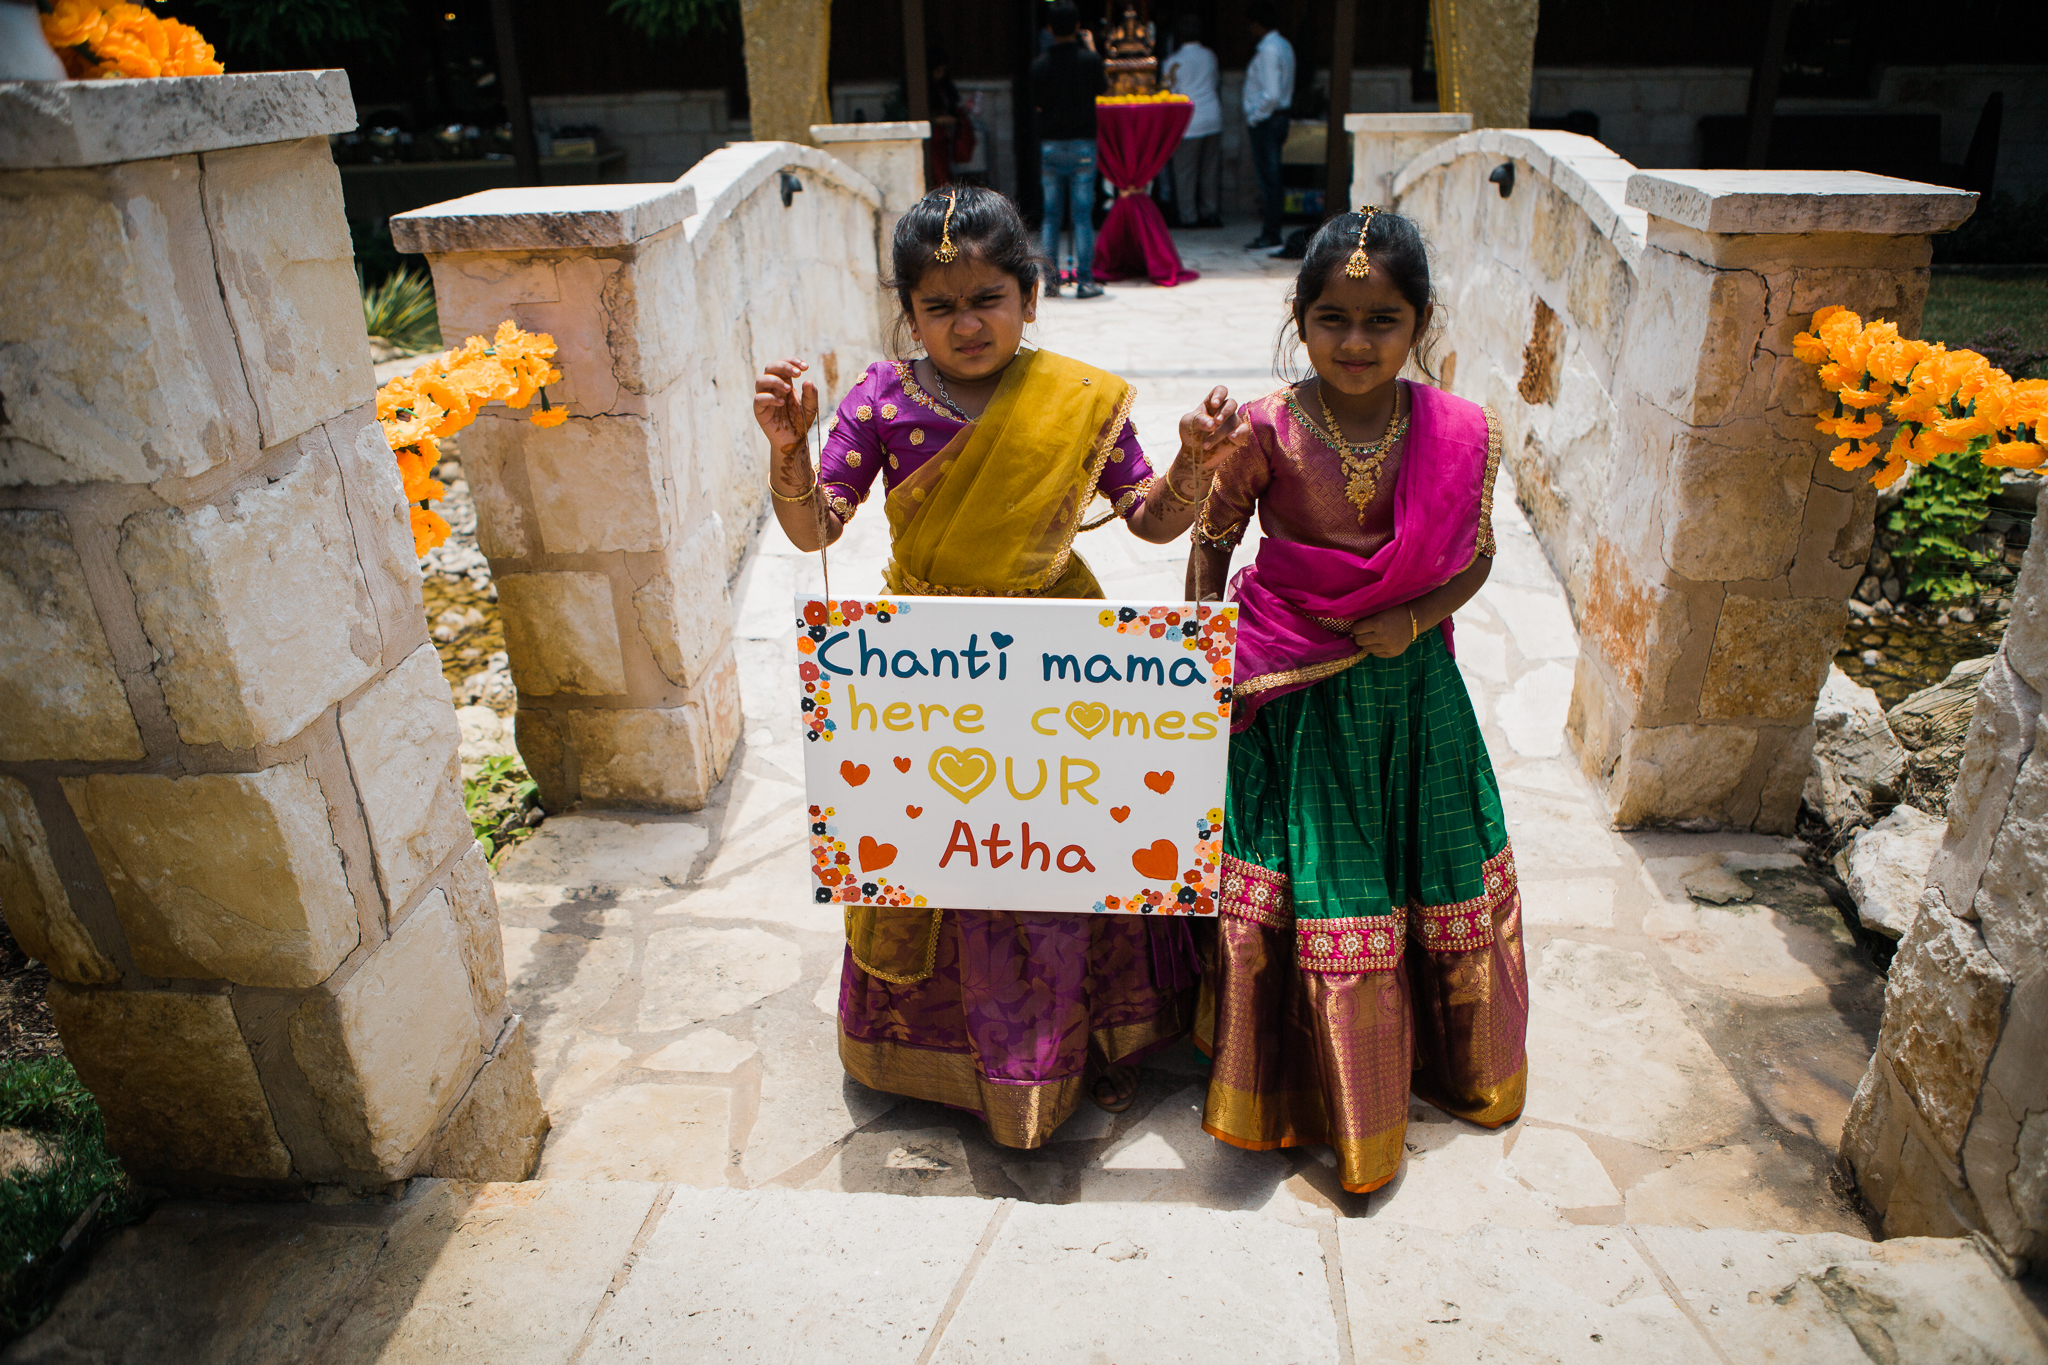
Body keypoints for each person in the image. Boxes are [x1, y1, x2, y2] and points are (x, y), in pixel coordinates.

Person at [753, 185, 1253, 1145]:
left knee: (1061, 851)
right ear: (908, 314)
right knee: (944, 855)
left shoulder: (1077, 397)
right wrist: (789, 453)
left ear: (1031, 297)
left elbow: (1149, 518)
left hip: (1054, 660)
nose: (965, 323)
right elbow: (818, 524)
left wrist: (1194, 462)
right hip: (928, 671)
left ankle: (1089, 1041)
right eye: (938, 306)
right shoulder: (882, 400)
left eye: (987, 299)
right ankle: (944, 1057)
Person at [1185, 209, 1528, 1194]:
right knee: (1321, 883)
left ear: (1418, 322)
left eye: (1381, 320)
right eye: (1331, 317)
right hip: (1292, 692)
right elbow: (1211, 542)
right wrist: (1200, 665)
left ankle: (1448, 1058)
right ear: (1299, 319)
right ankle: (1301, 1084)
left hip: (1410, 687)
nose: (1354, 341)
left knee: (1424, 869)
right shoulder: (1264, 427)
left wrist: (1414, 620)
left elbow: (1477, 556)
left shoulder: (1456, 429)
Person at [1032, 1, 1106, 299]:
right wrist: (1091, 46)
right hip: (1082, 145)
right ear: (1077, 27)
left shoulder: (1039, 65)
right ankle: (1085, 281)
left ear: (1049, 29)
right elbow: (1102, 87)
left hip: (1051, 145)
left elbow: (1037, 104)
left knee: (1051, 217)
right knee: (1082, 216)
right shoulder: (1088, 61)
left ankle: (1051, 282)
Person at [1241, 2, 1295, 250]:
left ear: (1257, 24)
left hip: (1268, 119)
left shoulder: (1269, 50)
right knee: (1271, 176)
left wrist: (1255, 115)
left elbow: (1271, 93)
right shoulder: (1282, 45)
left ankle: (1271, 232)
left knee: (1269, 178)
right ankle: (1272, 229)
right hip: (1276, 117)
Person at [1162, 14, 1222, 228]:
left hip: (1189, 121)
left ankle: (1189, 216)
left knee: (1185, 173)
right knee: (1209, 171)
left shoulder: (1174, 61)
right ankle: (1211, 211)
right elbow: (1215, 81)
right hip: (1213, 117)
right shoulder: (1210, 56)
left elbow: (1169, 92)